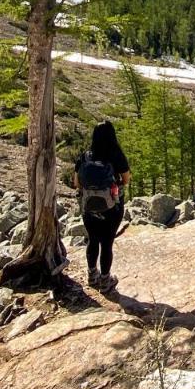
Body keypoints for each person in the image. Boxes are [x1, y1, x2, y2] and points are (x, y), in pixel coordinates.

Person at [75, 121, 130, 291]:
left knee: (92, 240)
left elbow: (76, 182)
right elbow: (126, 180)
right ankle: (105, 281)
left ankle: (92, 275)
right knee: (107, 243)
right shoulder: (116, 155)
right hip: (112, 207)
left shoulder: (85, 156)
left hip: (88, 206)